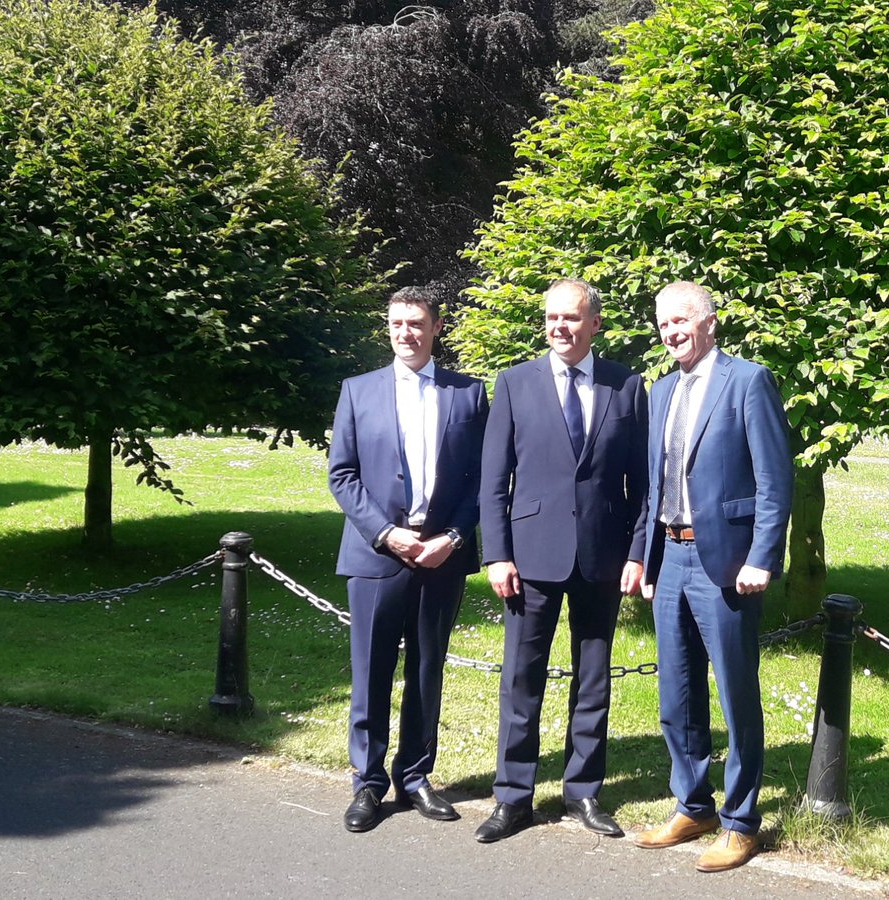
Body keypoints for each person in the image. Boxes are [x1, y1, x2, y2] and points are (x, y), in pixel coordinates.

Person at [475, 278, 649, 843]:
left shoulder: (627, 385)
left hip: (602, 557)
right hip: (529, 560)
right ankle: (513, 796)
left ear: (595, 323)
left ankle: (583, 792)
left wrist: (637, 552)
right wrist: (496, 554)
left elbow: (644, 485)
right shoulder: (514, 384)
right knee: (521, 679)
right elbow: (492, 481)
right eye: (552, 317)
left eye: (572, 318)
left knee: (593, 679)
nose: (560, 327)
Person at [634, 281, 794, 872]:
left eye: (681, 321)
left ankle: (741, 821)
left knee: (734, 694)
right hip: (670, 558)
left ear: (709, 322)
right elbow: (652, 488)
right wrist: (646, 559)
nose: (672, 332)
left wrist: (762, 557)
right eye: (664, 324)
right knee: (675, 694)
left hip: (725, 561)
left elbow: (775, 482)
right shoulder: (661, 392)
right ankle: (693, 805)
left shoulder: (748, 381)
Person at [327, 286, 489, 833]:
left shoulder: (469, 394)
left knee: (426, 669)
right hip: (377, 555)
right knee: (371, 671)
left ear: (436, 327)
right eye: (397, 323)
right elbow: (342, 476)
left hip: (440, 553)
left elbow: (481, 484)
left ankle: (416, 776)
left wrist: (454, 537)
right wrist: (385, 533)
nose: (406, 333)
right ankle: (368, 783)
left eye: (417, 323)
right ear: (387, 326)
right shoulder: (358, 391)